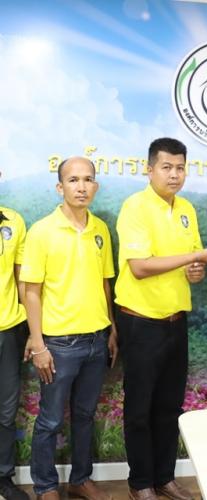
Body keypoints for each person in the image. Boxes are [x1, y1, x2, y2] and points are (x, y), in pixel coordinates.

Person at [115, 137, 207, 500]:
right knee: (139, 408)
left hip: (176, 321)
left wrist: (196, 270)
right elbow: (140, 267)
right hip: (141, 322)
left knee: (169, 407)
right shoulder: (135, 207)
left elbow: (193, 267)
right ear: (150, 169)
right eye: (166, 167)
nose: (174, 175)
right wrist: (195, 256)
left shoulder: (186, 208)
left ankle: (165, 478)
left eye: (180, 168)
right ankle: (140, 483)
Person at [21, 157, 117, 500]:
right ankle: (46, 486)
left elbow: (105, 284)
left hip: (96, 340)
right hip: (59, 344)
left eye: (88, 179)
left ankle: (80, 479)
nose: (81, 187)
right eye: (73, 180)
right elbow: (31, 291)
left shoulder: (100, 229)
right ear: (60, 187)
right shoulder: (42, 231)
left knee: (85, 415)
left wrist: (112, 329)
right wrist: (38, 343)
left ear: (96, 186)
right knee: (49, 420)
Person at [0, 198, 29, 500]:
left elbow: (21, 278)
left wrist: (33, 330)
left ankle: (3, 476)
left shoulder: (13, 220)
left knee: (6, 411)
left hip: (8, 330)